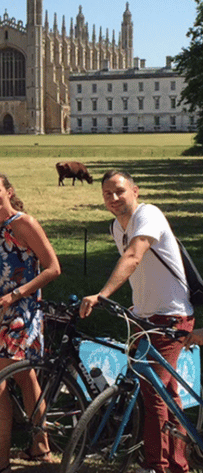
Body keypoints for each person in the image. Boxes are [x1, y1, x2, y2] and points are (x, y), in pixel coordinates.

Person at [81, 170, 194, 473]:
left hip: (170, 317)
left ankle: (158, 465)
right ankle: (177, 462)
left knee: (152, 393)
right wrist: (135, 306)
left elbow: (133, 257)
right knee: (166, 394)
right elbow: (141, 271)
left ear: (135, 190)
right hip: (145, 317)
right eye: (107, 194)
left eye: (119, 191)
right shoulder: (117, 227)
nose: (114, 198)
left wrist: (102, 295)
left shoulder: (148, 215)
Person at [0, 172, 61, 473]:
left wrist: (15, 295)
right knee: (26, 379)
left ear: (9, 192)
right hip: (0, 313)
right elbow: (0, 266)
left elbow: (53, 268)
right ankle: (40, 446)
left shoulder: (24, 223)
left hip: (20, 314)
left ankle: (1, 456)